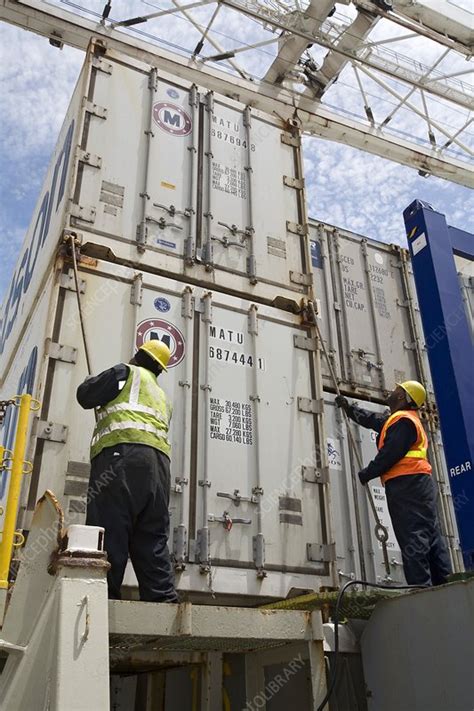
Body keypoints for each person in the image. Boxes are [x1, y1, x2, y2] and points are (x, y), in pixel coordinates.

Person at [76, 341, 178, 603]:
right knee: (152, 540)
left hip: (121, 460)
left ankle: (102, 602)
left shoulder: (125, 373)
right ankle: (162, 608)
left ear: (138, 356)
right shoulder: (162, 396)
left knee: (109, 530)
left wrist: (91, 382)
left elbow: (85, 395)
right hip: (158, 469)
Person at [336, 381, 452, 587]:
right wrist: (349, 408)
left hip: (408, 486)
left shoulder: (404, 422)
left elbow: (391, 452)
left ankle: (421, 589)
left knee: (413, 536)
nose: (391, 392)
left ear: (403, 397)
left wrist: (367, 473)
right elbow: (373, 420)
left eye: (397, 390)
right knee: (430, 534)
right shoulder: (398, 420)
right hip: (416, 486)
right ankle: (443, 584)